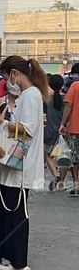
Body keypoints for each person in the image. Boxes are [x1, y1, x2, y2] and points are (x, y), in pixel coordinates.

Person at [0, 55, 48, 270]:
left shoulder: (31, 95)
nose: (8, 83)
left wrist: (4, 123)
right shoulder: (26, 95)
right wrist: (3, 119)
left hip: (21, 166)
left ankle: (18, 262)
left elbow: (29, 129)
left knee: (16, 213)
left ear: (14, 73)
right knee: (3, 209)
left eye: (7, 78)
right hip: (13, 164)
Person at [59, 62, 79, 195]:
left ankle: (76, 184)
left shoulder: (75, 86)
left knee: (76, 158)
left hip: (75, 128)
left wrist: (62, 123)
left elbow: (68, 106)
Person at [44, 75, 66, 191]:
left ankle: (56, 175)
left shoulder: (47, 99)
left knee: (48, 155)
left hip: (49, 131)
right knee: (64, 157)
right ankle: (61, 182)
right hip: (64, 131)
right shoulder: (66, 98)